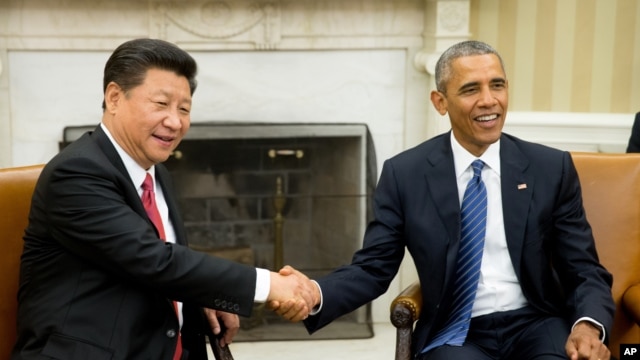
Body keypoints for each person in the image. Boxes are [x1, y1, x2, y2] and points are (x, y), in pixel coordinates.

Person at [272, 40, 615, 360]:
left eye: (497, 85)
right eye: (470, 89)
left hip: (537, 322)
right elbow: (373, 268)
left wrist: (588, 324)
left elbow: (583, 267)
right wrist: (316, 293)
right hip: (457, 331)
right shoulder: (404, 174)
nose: (489, 100)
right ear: (440, 102)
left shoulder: (549, 168)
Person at [12, 38, 312, 360]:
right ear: (114, 98)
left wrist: (202, 299)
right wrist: (268, 285)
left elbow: (155, 265)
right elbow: (153, 260)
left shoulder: (155, 173)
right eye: (161, 104)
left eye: (184, 109)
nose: (175, 122)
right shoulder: (76, 172)